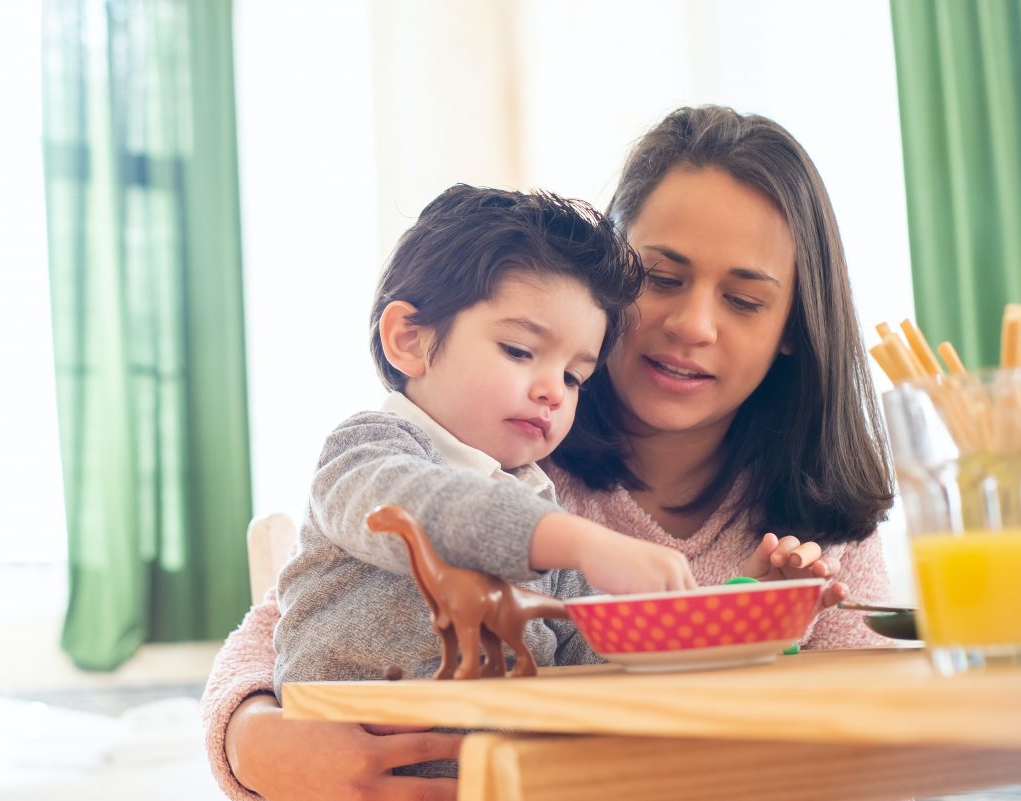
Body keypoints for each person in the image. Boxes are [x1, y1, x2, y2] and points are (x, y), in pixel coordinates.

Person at [201, 105, 895, 801]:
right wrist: (253, 741)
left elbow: (877, 766)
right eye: (662, 278)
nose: (693, 325)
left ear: (793, 329)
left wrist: (739, 617)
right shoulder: (487, 454)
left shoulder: (820, 523)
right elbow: (284, 617)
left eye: (744, 299)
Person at [273, 183, 699, 716]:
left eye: (573, 377)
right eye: (519, 351)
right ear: (409, 339)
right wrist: (579, 541)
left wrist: (718, 614)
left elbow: (588, 659)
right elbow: (425, 510)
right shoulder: (365, 450)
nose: (552, 391)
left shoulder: (540, 506)